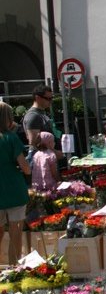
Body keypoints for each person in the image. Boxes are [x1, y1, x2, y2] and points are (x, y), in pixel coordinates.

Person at [0, 102, 31, 265]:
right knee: (15, 232)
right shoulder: (11, 138)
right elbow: (25, 168)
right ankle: (14, 268)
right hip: (14, 190)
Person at [23, 84, 62, 165]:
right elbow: (34, 142)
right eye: (48, 98)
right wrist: (55, 153)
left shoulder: (41, 113)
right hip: (40, 162)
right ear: (37, 98)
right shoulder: (33, 116)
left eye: (52, 98)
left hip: (47, 158)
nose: (51, 101)